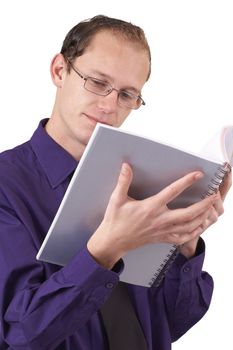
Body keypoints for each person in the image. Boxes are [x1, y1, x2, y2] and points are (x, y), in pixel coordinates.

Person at [0, 15, 231, 350]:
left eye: (127, 94)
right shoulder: (6, 185)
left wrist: (185, 241)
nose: (109, 106)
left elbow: (171, 324)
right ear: (59, 71)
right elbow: (22, 335)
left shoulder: (145, 185)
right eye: (97, 82)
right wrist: (104, 251)